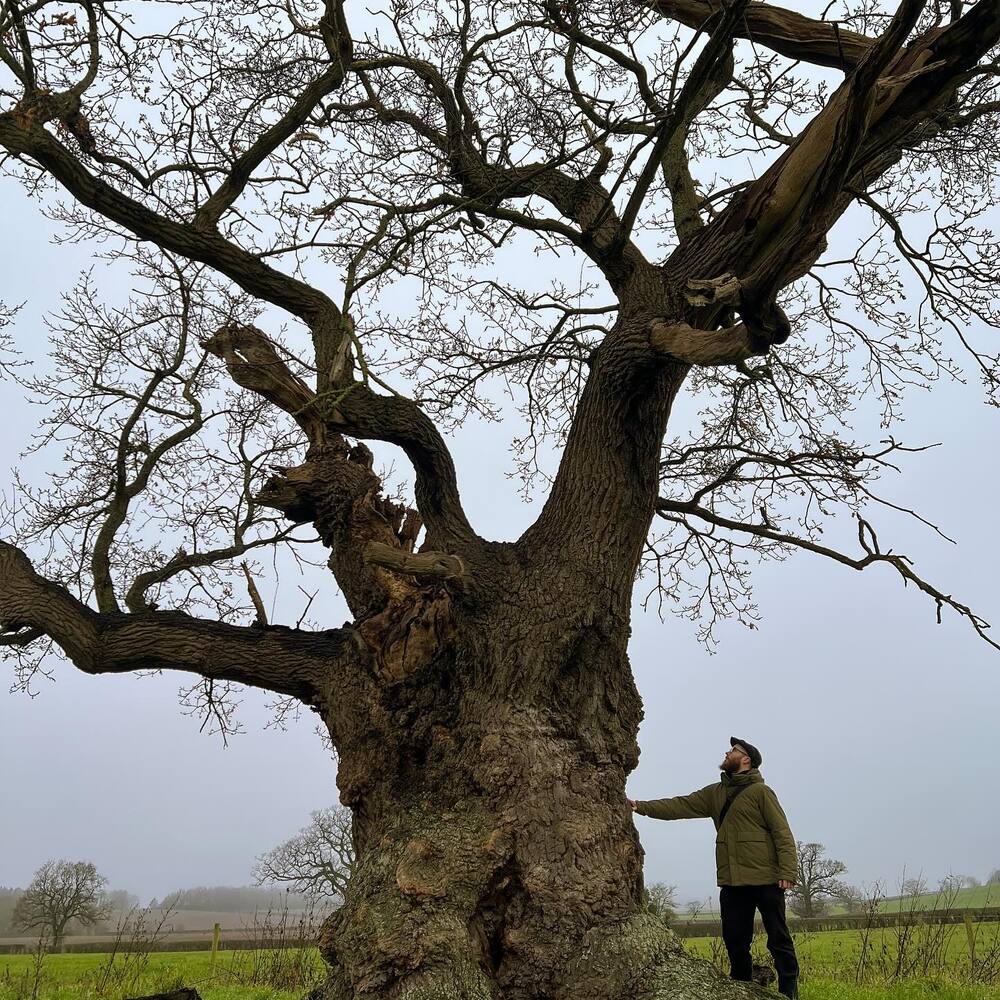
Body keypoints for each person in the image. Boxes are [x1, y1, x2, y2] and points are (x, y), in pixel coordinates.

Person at [628, 737, 800, 999]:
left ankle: (789, 989)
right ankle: (741, 986)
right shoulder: (715, 793)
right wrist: (640, 806)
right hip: (732, 882)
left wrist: (787, 872)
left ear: (746, 759)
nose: (727, 752)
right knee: (734, 941)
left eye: (733, 750)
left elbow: (782, 833)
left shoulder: (761, 793)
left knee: (778, 938)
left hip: (766, 880)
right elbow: (680, 805)